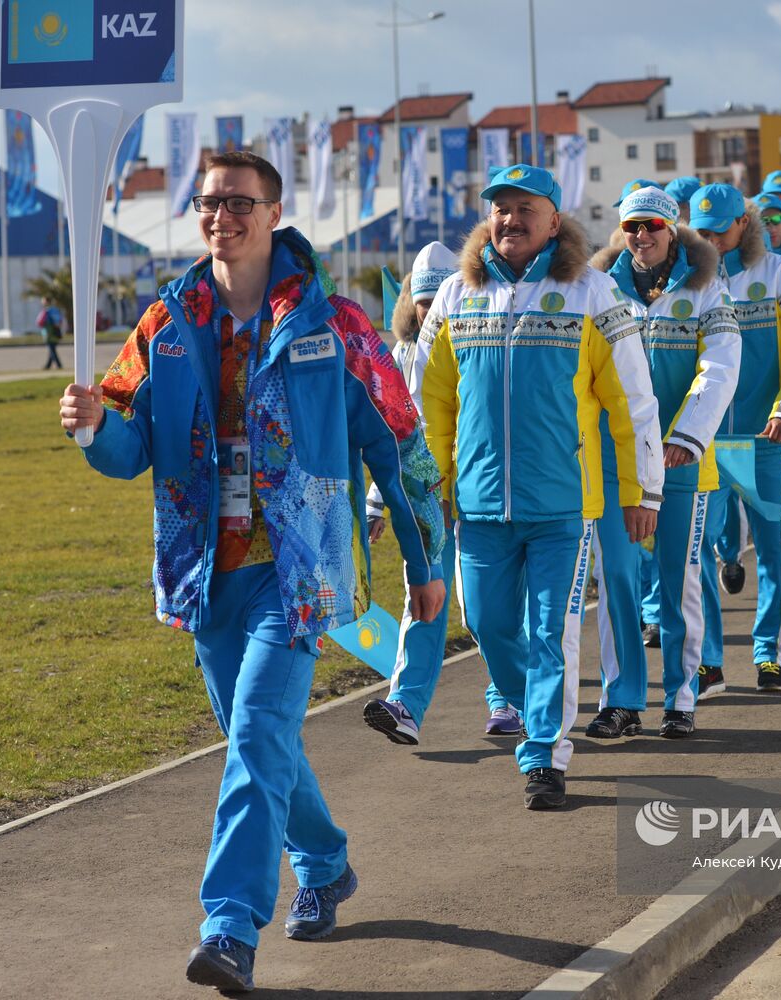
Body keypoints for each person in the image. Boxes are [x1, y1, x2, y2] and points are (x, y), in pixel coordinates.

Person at [58, 151, 447, 994]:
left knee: (262, 733)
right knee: (254, 739)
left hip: (297, 571)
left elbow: (399, 446)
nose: (219, 215)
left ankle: (230, 927)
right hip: (204, 570)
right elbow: (133, 452)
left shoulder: (334, 322)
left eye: (239, 201)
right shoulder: (166, 322)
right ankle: (327, 862)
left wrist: (427, 562)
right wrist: (91, 427)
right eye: (208, 202)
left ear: (275, 212)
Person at [415, 164, 664, 809]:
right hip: (478, 502)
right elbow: (430, 401)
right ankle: (536, 710)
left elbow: (633, 401)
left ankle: (545, 757)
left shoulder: (592, 292)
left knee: (552, 632)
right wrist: (424, 489)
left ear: (554, 220)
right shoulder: (456, 296)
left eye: (526, 207)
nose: (511, 218)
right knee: (491, 627)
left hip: (561, 504)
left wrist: (642, 492)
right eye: (499, 207)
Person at [586, 186, 740, 739]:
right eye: (631, 227)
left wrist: (689, 437)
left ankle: (681, 695)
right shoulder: (599, 289)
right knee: (619, 580)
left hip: (681, 461)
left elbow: (720, 369)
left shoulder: (708, 290)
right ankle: (622, 699)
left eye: (652, 226)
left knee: (678, 583)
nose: (641, 236)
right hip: (613, 464)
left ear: (672, 229)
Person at [360, 243, 521, 744]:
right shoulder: (401, 355)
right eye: (422, 301)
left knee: (485, 611)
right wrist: (376, 501)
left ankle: (509, 696)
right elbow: (395, 439)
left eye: (437, 299)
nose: (429, 310)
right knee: (422, 600)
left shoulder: (484, 342)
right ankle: (405, 705)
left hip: (479, 494)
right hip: (428, 498)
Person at [692, 183, 781, 693]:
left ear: (743, 223)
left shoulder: (780, 274)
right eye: (699, 232)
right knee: (696, 550)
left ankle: (771, 652)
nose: (708, 241)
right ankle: (708, 660)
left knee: (773, 549)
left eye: (718, 231)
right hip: (701, 444)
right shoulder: (687, 278)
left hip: (762, 441)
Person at [38, 296, 64, 370]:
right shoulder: (55, 310)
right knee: (52, 348)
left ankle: (59, 365)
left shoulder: (48, 311)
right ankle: (48, 365)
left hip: (49, 332)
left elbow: (40, 322)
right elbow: (59, 321)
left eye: (43, 301)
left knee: (52, 348)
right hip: (54, 331)